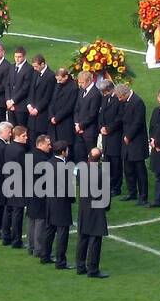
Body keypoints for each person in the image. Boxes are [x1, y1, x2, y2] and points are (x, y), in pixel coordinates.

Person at [75, 149, 110, 278]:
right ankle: (93, 269)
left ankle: (80, 266)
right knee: (95, 240)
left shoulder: (80, 171)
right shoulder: (102, 174)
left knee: (82, 238)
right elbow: (106, 197)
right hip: (97, 209)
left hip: (84, 208)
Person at [44, 141, 74, 268]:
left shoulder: (48, 163)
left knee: (50, 230)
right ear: (63, 152)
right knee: (62, 232)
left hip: (50, 201)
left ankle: (45, 256)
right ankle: (61, 261)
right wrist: (72, 199)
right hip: (62, 203)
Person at [118, 83, 148, 203]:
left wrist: (129, 136)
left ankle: (143, 196)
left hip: (136, 142)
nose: (119, 100)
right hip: (127, 140)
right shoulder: (125, 102)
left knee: (139, 170)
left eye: (120, 97)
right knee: (128, 168)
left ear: (125, 94)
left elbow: (138, 122)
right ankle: (132, 192)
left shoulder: (138, 102)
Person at [2, 124, 29, 247]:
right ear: (17, 136)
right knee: (17, 212)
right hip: (18, 184)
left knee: (8, 210)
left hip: (8, 181)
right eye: (24, 135)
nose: (26, 138)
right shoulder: (20, 150)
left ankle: (6, 237)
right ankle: (16, 240)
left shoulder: (8, 147)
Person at [26, 133, 53, 258]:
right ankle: (39, 249)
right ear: (41, 144)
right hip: (41, 192)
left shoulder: (29, 155)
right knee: (40, 221)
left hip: (30, 191)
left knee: (31, 219)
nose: (50, 146)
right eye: (48, 144)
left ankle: (31, 246)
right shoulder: (44, 159)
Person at [97, 80, 123, 196]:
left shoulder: (118, 99)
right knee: (107, 161)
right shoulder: (105, 98)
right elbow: (101, 114)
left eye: (105, 92)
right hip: (105, 136)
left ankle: (116, 187)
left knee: (116, 163)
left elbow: (119, 118)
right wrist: (101, 127)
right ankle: (108, 185)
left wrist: (109, 128)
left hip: (115, 136)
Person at [72, 71, 102, 161]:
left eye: (82, 83)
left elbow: (92, 114)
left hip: (89, 131)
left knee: (90, 156)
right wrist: (77, 123)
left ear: (89, 81)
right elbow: (76, 108)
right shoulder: (81, 91)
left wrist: (81, 125)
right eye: (79, 82)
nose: (80, 85)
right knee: (78, 154)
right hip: (78, 129)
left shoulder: (95, 94)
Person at [48, 67, 77, 151]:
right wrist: (51, 116)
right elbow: (52, 101)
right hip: (54, 121)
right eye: (57, 80)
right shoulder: (58, 85)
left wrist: (57, 117)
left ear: (66, 77)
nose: (58, 82)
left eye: (60, 80)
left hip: (64, 122)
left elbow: (69, 106)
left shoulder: (73, 88)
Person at [27, 54, 55, 139]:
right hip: (32, 111)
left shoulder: (50, 76)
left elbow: (47, 96)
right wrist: (29, 104)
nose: (34, 68)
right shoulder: (35, 73)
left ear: (42, 64)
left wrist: (37, 109)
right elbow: (31, 90)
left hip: (42, 113)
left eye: (36, 66)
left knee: (41, 137)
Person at [6, 46, 33, 127]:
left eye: (19, 57)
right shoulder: (11, 67)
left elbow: (25, 88)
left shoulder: (29, 69)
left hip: (21, 106)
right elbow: (7, 84)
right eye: (15, 57)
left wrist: (13, 101)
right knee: (12, 128)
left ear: (24, 56)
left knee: (21, 129)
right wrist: (8, 100)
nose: (17, 59)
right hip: (10, 105)